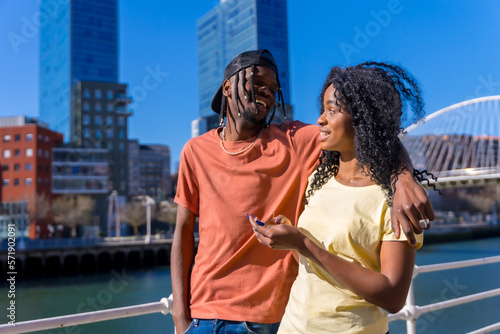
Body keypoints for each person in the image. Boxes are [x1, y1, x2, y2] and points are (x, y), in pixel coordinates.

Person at [172, 50, 433, 334]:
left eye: (273, 88)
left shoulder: (295, 141)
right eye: (258, 81)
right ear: (226, 87)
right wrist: (180, 317)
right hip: (201, 318)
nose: (267, 92)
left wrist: (404, 178)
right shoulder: (194, 151)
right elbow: (183, 233)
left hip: (265, 322)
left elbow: (371, 130)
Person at [248, 62, 428, 333]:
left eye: (331, 111)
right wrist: (294, 240)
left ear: (362, 119)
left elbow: (393, 296)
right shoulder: (317, 180)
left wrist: (305, 243)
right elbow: (318, 267)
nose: (320, 119)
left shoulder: (395, 200)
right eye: (322, 110)